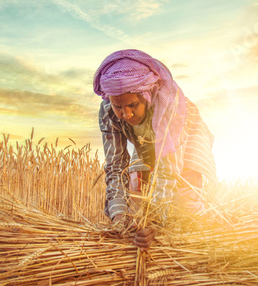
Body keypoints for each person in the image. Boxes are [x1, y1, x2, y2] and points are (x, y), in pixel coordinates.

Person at [93, 49, 217, 248]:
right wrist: (119, 219)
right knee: (137, 190)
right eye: (118, 106)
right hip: (147, 139)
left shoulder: (169, 106)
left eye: (133, 105)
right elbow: (115, 167)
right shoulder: (108, 111)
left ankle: (194, 246)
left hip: (187, 133)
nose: (126, 114)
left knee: (185, 198)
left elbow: (168, 170)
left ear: (147, 95)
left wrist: (154, 223)